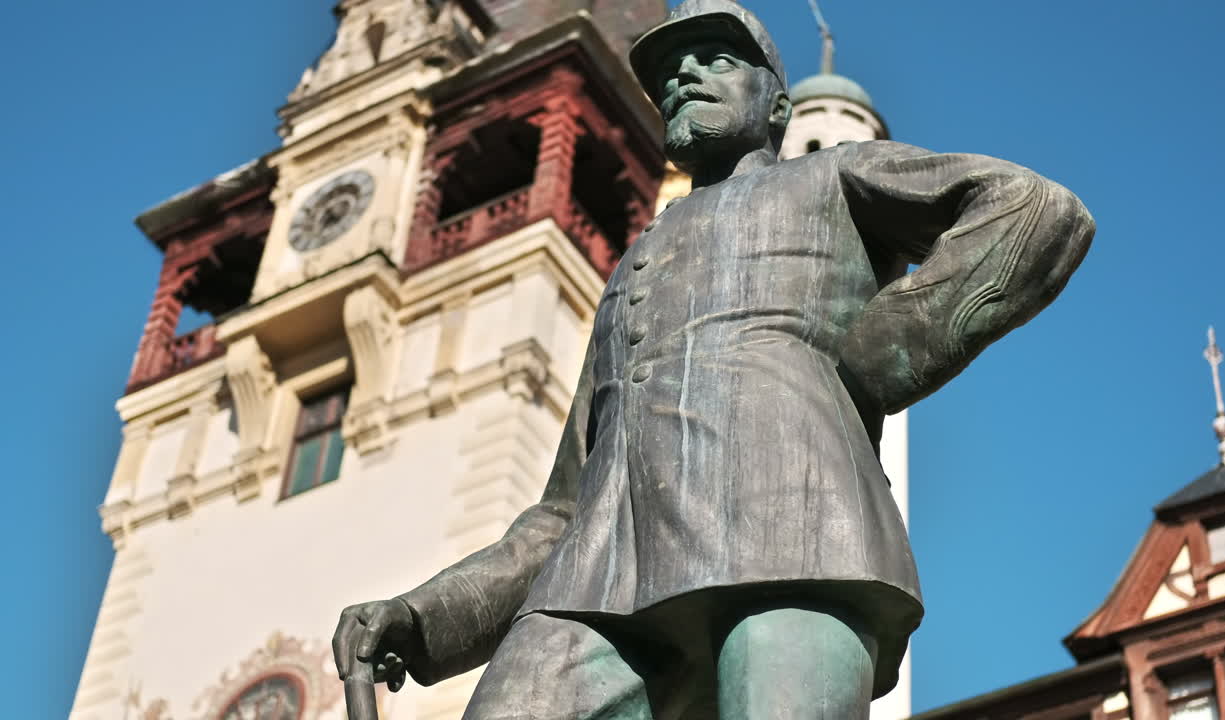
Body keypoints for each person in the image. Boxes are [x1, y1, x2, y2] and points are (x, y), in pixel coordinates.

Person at [332, 1, 1095, 718]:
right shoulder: (630, 272)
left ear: (778, 106)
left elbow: (1030, 208)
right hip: (597, 585)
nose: (683, 77)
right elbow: (564, 510)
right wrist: (426, 613)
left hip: (794, 541)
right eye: (670, 73)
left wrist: (880, 356)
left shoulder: (830, 175)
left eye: (715, 59)